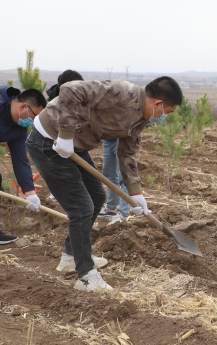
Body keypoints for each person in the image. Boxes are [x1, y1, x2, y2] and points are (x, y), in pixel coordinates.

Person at [26, 76, 182, 291]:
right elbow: (70, 89)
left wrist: (136, 194)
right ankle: (86, 276)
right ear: (157, 104)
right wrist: (65, 134)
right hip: (50, 142)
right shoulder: (119, 92)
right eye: (167, 112)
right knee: (81, 208)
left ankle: (71, 257)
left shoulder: (141, 118)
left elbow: (127, 153)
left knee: (97, 196)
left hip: (75, 147)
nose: (164, 117)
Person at [0, 86, 47, 244]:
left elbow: (20, 159)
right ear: (24, 106)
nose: (34, 122)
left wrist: (30, 192)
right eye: (35, 116)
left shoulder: (19, 127)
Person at [45, 70, 85, 203]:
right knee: (59, 166)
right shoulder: (53, 102)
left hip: (75, 142)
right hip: (54, 139)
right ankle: (57, 192)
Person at [98, 139, 131, 224]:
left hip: (121, 138)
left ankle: (123, 213)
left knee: (124, 176)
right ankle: (111, 209)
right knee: (109, 174)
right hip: (107, 139)